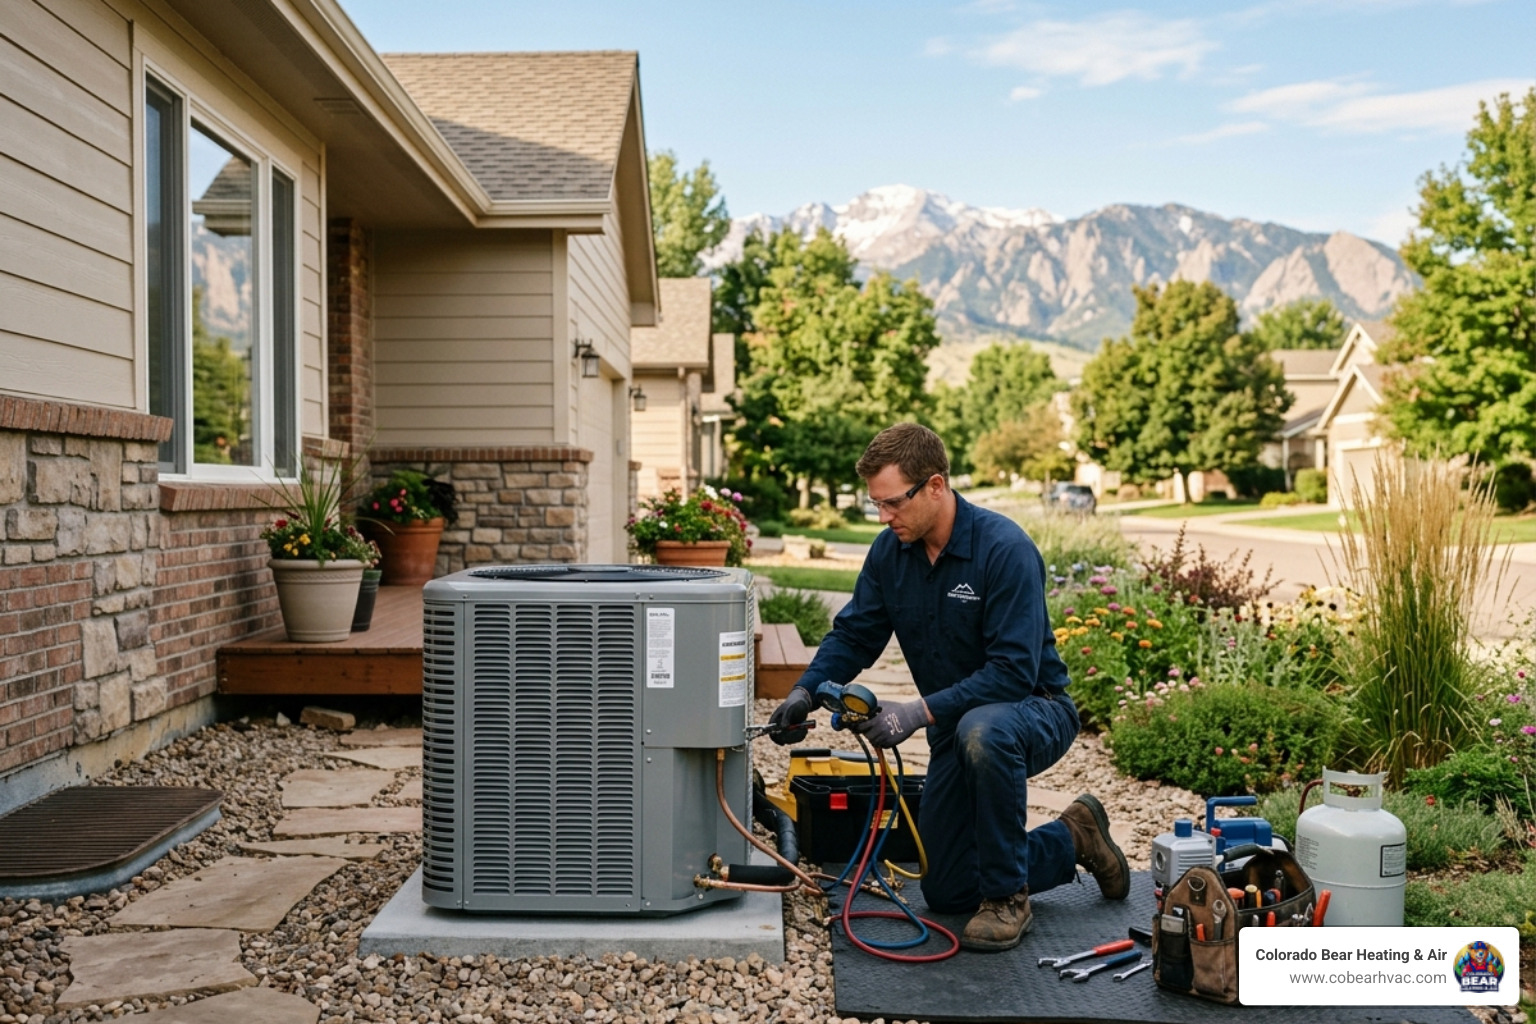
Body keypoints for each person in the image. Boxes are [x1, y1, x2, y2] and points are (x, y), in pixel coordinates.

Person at [766, 422, 1128, 952]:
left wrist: (913, 714)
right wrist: (805, 691)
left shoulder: (1004, 550)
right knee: (948, 889)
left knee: (984, 730)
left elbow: (1012, 674)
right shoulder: (891, 554)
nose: (884, 517)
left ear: (935, 485)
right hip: (955, 728)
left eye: (893, 503)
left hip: (1034, 710)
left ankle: (1008, 899)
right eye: (876, 504)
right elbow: (855, 634)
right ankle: (1075, 836)